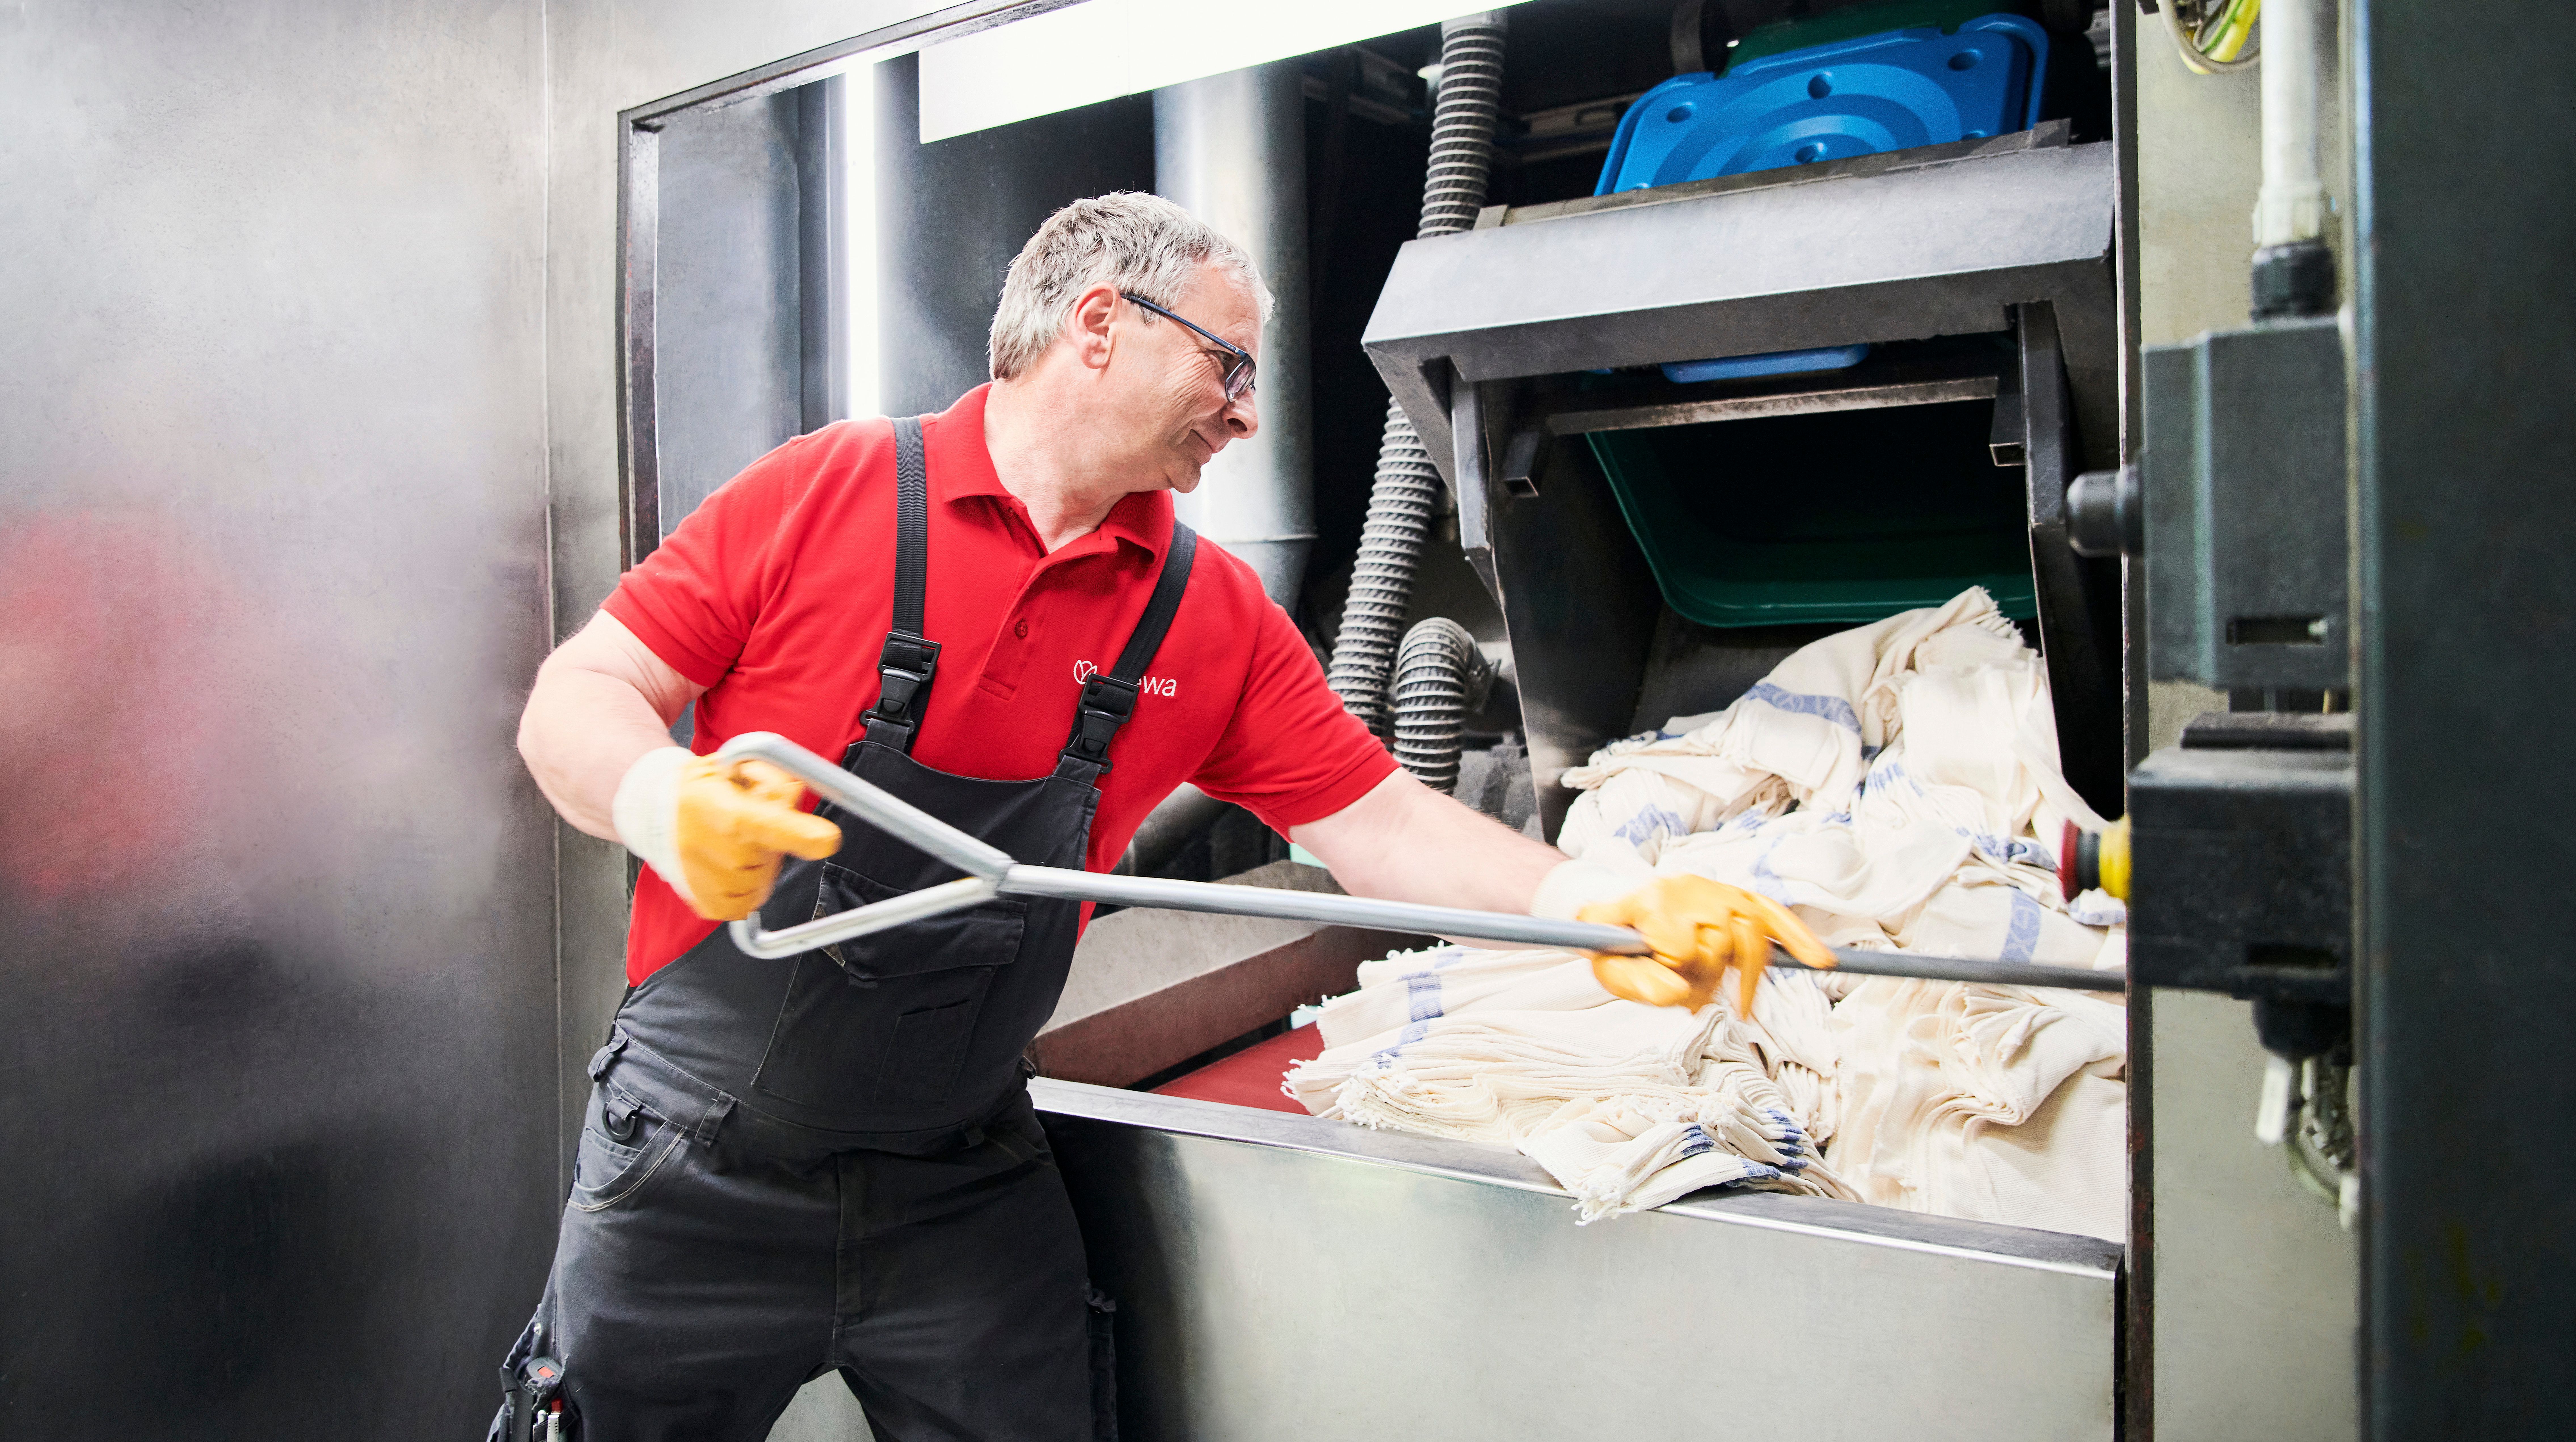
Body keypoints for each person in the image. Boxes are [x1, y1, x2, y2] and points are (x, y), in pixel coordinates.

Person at [503, 192, 1826, 1440]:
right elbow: (581, 694)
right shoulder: (825, 492)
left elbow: (1379, 821)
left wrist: (1596, 900)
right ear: (1098, 324)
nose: (1245, 418)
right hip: (693, 1171)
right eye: (1230, 368)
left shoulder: (1208, 614)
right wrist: (659, 796)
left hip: (955, 1179)